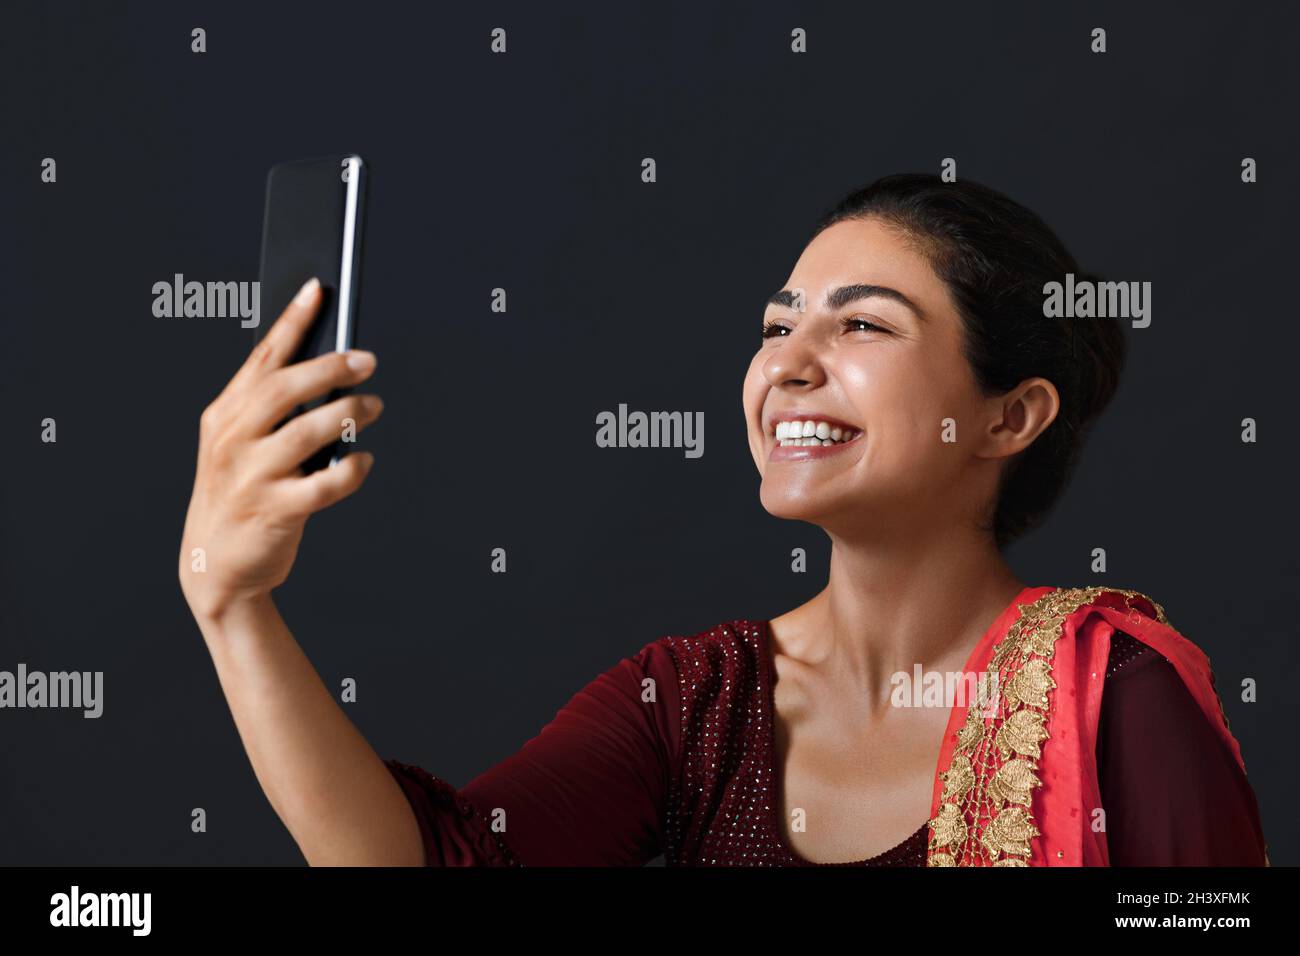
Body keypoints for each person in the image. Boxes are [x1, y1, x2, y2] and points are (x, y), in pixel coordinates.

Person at [178, 174, 1268, 867]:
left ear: (1008, 414)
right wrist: (235, 606)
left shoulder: (1112, 698)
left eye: (862, 327)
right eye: (774, 324)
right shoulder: (691, 701)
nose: (786, 365)